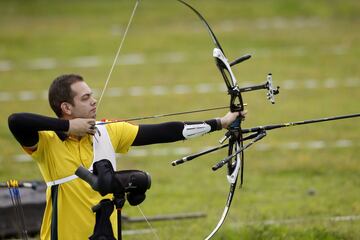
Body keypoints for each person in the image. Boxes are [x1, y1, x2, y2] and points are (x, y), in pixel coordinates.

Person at [8, 74, 244, 240]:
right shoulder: (48, 142)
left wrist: (219, 123)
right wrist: (68, 127)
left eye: (92, 95)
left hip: (105, 234)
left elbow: (164, 131)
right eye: (85, 98)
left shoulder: (107, 131)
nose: (93, 101)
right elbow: (16, 120)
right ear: (66, 108)